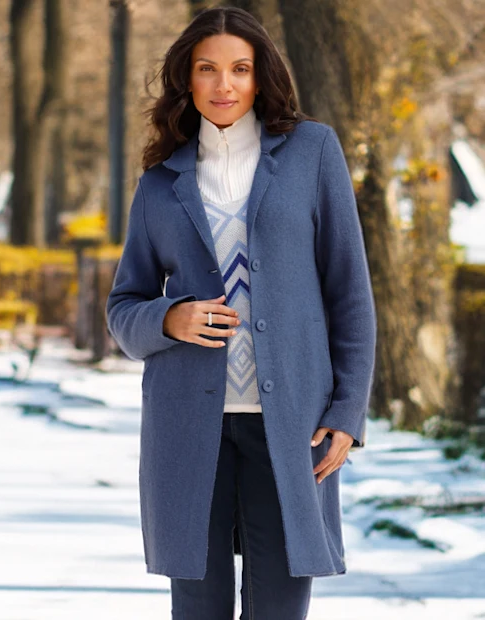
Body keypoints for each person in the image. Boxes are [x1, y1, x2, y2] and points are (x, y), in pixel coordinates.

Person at [105, 8, 376, 619]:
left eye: (240, 69)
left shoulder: (312, 152)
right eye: (207, 69)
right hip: (187, 425)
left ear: (260, 77)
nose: (223, 85)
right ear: (187, 79)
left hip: (293, 424)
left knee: (279, 605)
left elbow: (350, 294)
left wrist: (347, 411)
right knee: (197, 607)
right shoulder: (159, 182)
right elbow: (123, 307)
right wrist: (169, 319)